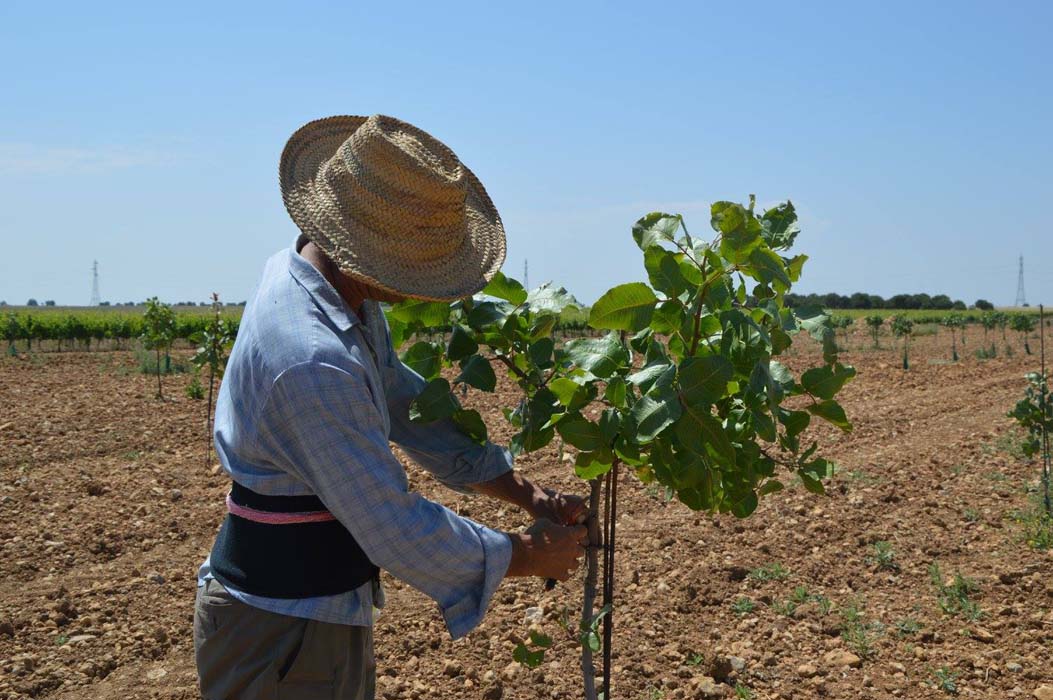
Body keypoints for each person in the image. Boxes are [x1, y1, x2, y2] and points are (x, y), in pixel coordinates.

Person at [193, 114, 589, 700]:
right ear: (369, 256)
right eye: (419, 269)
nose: (419, 288)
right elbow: (393, 524)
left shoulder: (321, 279)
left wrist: (523, 492)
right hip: (284, 638)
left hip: (308, 619)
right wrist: (526, 555)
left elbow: (405, 403)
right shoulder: (310, 358)